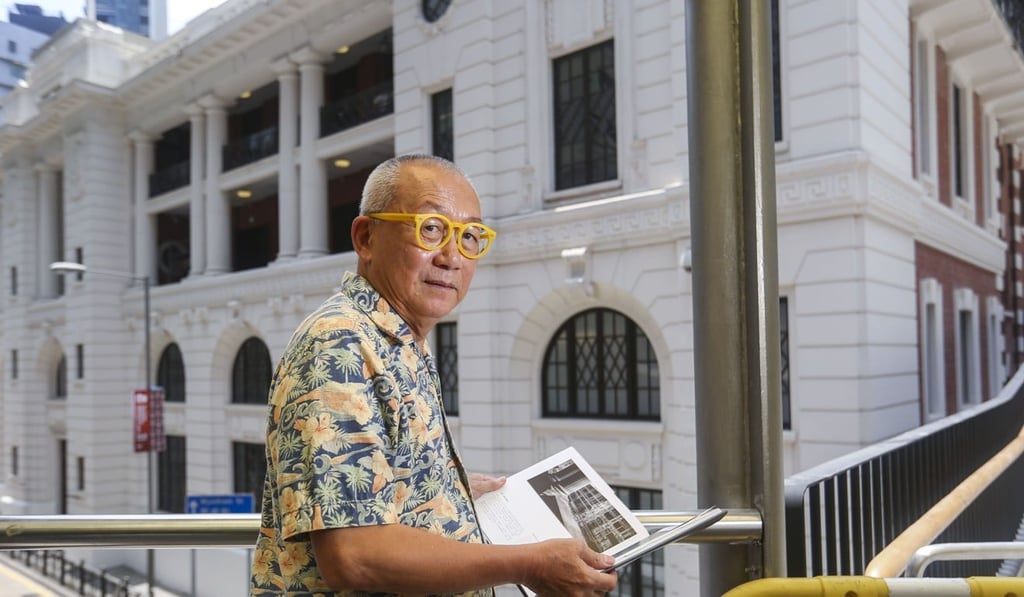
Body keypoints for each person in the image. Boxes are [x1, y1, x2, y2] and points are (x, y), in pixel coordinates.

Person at [250, 154, 618, 596]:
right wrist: (530, 563)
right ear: (366, 237)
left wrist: (448, 490)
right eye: (431, 229)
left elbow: (378, 494)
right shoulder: (340, 343)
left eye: (470, 237)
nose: (451, 257)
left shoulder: (400, 337)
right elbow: (355, 554)